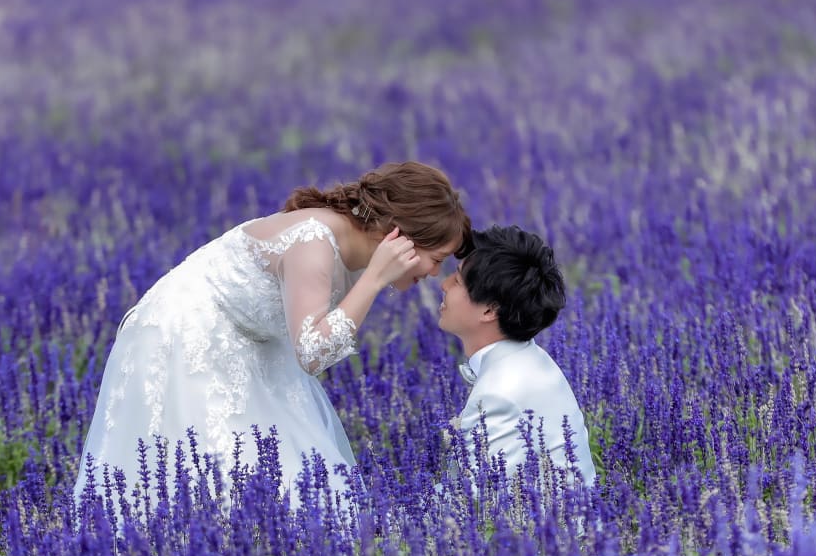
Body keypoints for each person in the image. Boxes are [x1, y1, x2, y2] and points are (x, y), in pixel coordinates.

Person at [74, 161, 470, 509]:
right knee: (213, 465)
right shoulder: (314, 242)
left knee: (282, 467)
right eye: (435, 259)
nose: (434, 274)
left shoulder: (354, 246)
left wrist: (373, 276)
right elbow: (313, 355)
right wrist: (373, 280)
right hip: (185, 331)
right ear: (397, 235)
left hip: (250, 337)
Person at [438, 224, 596, 487]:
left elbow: (478, 504)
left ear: (489, 310)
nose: (443, 285)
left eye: (456, 281)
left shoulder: (497, 393)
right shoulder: (532, 357)